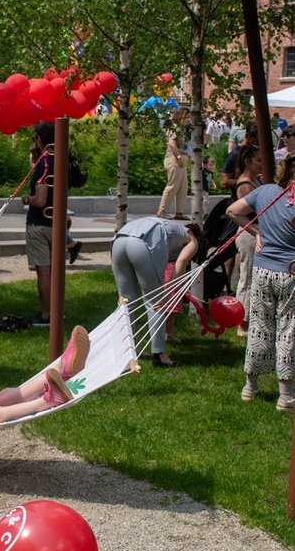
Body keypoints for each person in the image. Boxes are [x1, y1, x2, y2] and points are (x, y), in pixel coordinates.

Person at [227, 154, 295, 410]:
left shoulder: (265, 191)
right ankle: (285, 395)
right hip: (290, 273)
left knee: (259, 326)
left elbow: (232, 210)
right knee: (288, 330)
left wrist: (258, 232)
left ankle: (250, 386)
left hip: (263, 270)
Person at [110, 218, 205, 367]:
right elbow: (180, 263)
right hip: (143, 244)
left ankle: (128, 348)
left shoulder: (171, 228)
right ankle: (159, 354)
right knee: (155, 301)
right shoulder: (192, 240)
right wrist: (167, 293)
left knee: (126, 301)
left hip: (118, 241)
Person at [22, 122, 57, 326]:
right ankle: (56, 311)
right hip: (56, 224)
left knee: (44, 270)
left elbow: (40, 199)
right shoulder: (59, 161)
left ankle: (46, 315)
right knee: (55, 270)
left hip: (39, 224)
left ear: (39, 139)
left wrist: (27, 198)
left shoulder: (44, 164)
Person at [231, 144, 264, 336]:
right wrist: (254, 232)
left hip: (257, 232)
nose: (261, 164)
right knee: (247, 277)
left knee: (253, 276)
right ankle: (241, 323)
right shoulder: (245, 185)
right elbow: (242, 214)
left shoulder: (256, 181)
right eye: (258, 160)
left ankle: (250, 318)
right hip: (249, 234)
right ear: (247, 162)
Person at [157, 127, 189, 220]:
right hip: (174, 160)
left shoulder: (183, 129)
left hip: (181, 161)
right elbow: (171, 143)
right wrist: (179, 158)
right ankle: (162, 211)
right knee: (172, 186)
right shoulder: (176, 128)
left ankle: (179, 212)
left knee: (183, 187)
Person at [221, 120, 257, 199]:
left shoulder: (258, 152)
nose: (259, 144)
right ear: (247, 137)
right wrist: (247, 182)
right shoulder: (234, 155)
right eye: (256, 140)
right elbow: (224, 182)